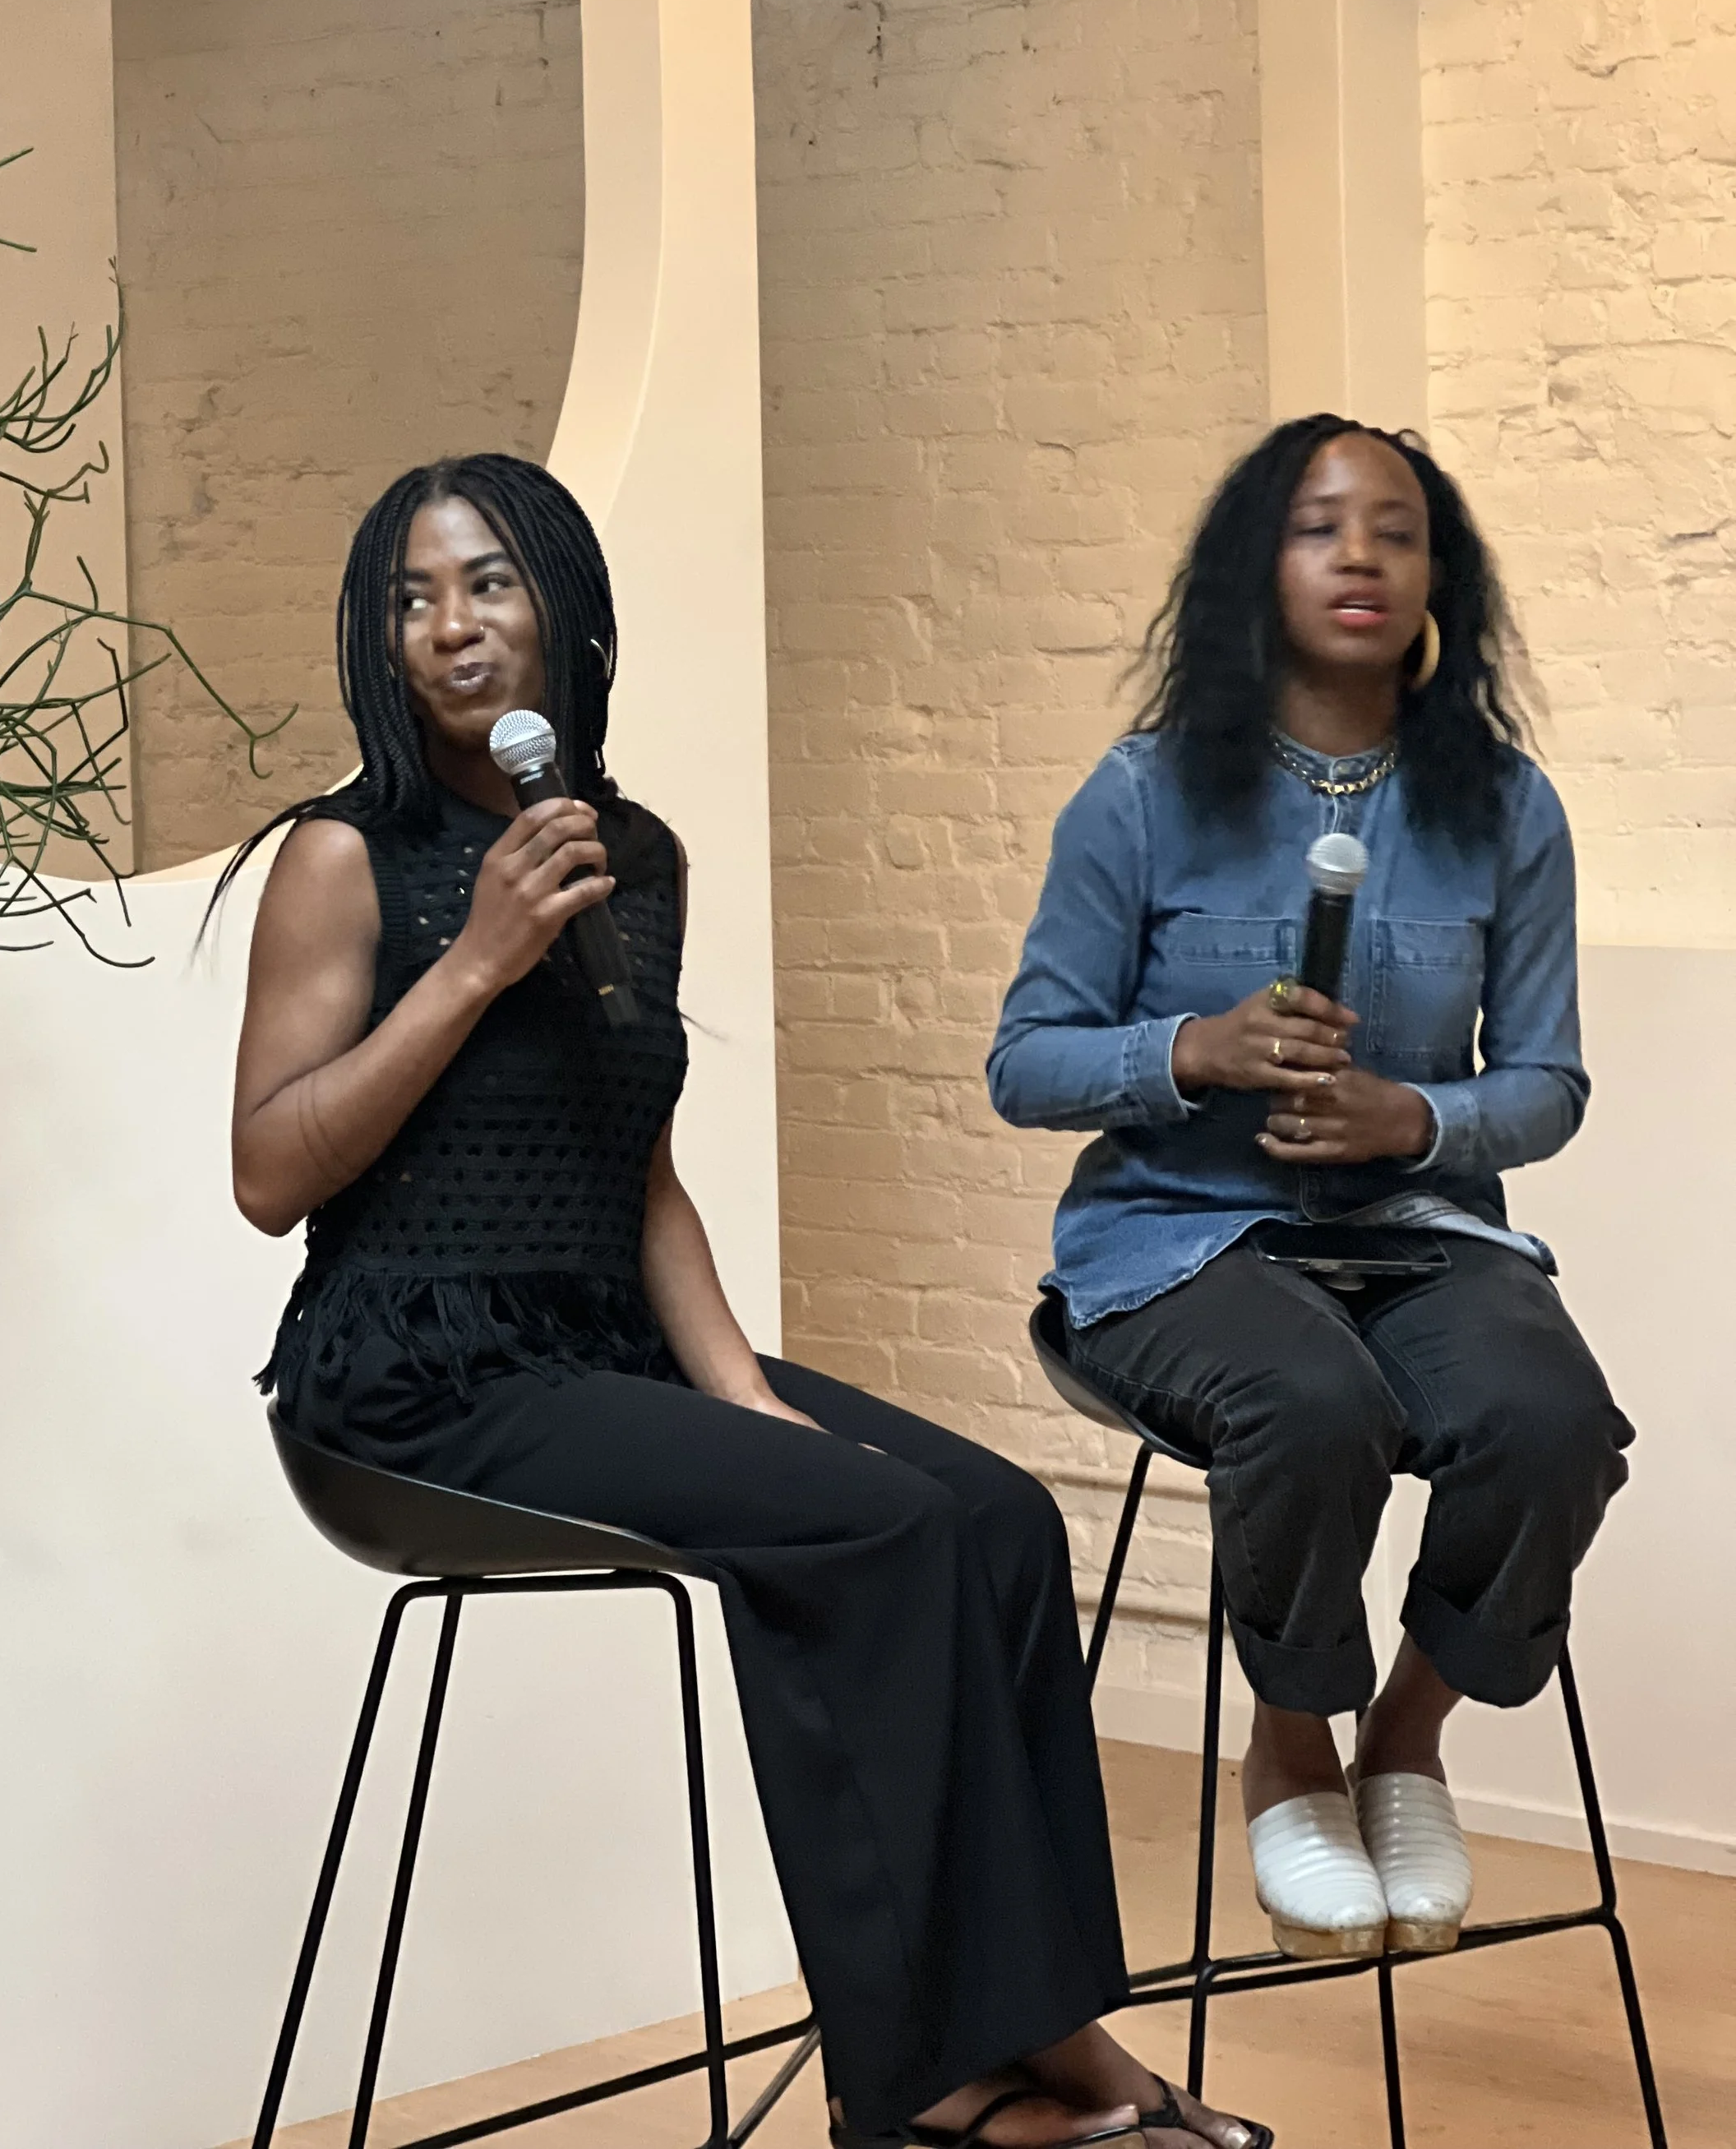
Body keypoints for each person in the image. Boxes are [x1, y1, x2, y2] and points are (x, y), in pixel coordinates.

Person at [225, 453, 1272, 2149]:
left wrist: (749, 1402)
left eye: (485, 582)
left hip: (598, 1345)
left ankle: (1037, 2029)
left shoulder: (629, 856)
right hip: (410, 1376)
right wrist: (477, 959)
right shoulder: (348, 861)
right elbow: (271, 1171)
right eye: (410, 597)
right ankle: (942, 2078)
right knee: (866, 1534)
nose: (448, 627)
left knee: (993, 1516)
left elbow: (633, 1168)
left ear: (560, 603)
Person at [989, 415, 1632, 1963]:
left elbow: (1545, 1086)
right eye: (1318, 527)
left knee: (1548, 1424)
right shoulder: (1140, 797)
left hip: (1410, 1232)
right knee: (1311, 1404)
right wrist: (1195, 1049)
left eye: (1397, 532)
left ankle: (1403, 1743)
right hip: (1179, 1241)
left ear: (1437, 582)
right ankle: (1288, 1748)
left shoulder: (1506, 808)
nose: (1361, 556)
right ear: (1250, 571)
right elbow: (1026, 1064)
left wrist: (1407, 1117)